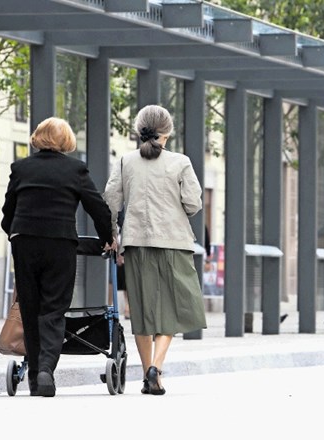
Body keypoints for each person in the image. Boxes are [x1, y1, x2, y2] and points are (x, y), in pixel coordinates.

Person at [1, 117, 113, 397]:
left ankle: (37, 378)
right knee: (53, 309)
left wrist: (12, 232)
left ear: (38, 137)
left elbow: (8, 210)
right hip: (60, 244)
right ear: (66, 141)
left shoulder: (21, 168)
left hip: (24, 242)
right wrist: (107, 239)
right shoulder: (75, 169)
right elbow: (97, 208)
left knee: (30, 306)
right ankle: (45, 370)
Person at [104, 104, 207, 396]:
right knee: (172, 310)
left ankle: (148, 371)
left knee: (142, 311)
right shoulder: (181, 162)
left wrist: (113, 235)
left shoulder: (125, 161)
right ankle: (156, 369)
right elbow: (193, 204)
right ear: (168, 132)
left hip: (136, 244)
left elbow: (111, 202)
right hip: (174, 242)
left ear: (140, 131)